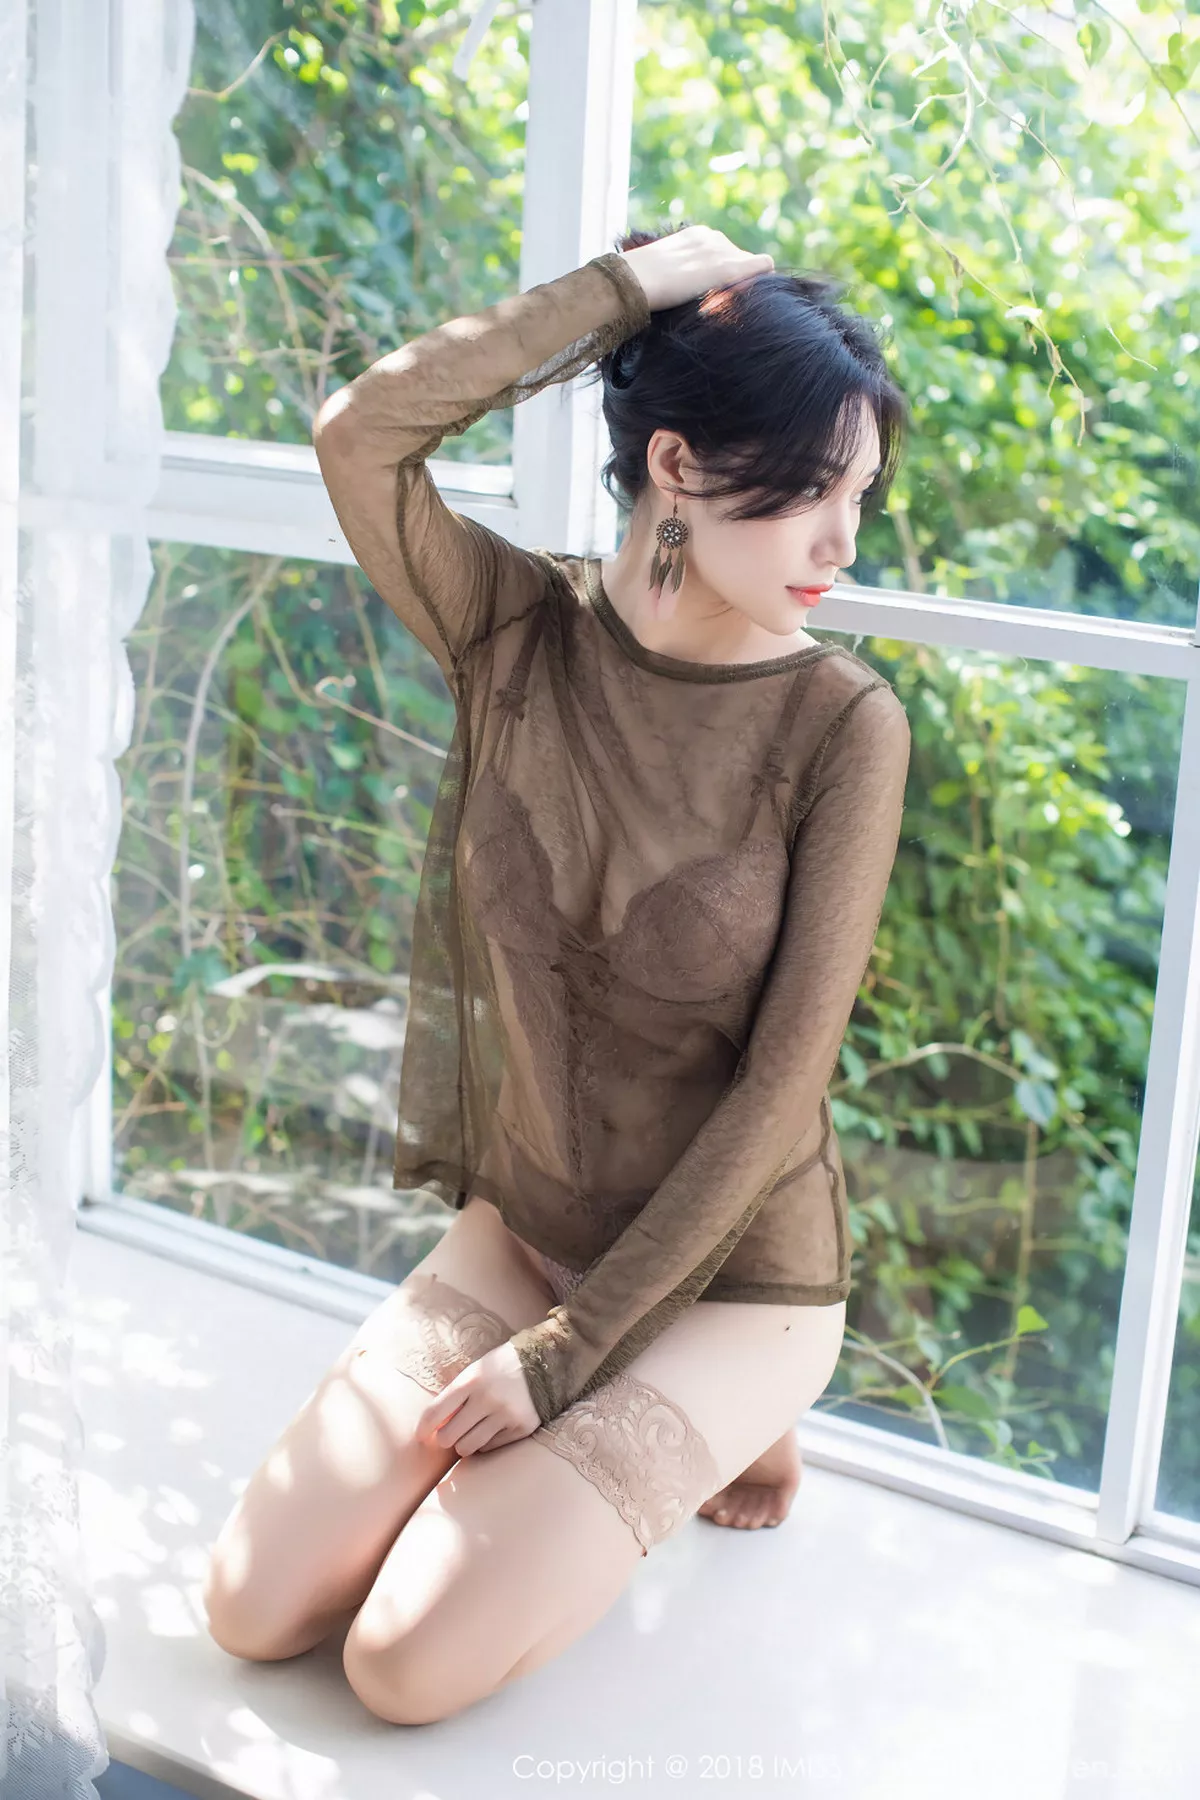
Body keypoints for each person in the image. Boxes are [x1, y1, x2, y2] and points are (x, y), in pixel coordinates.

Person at [203, 223, 912, 1724]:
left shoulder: (844, 728)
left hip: (735, 1280)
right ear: (677, 463)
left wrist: (565, 1363)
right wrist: (626, 289)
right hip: (529, 1232)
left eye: (860, 495)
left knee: (402, 1669)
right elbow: (359, 435)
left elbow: (785, 1089)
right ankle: (618, 1449)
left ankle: (737, 1413)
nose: (844, 543)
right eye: (812, 490)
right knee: (253, 1609)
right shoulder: (513, 628)